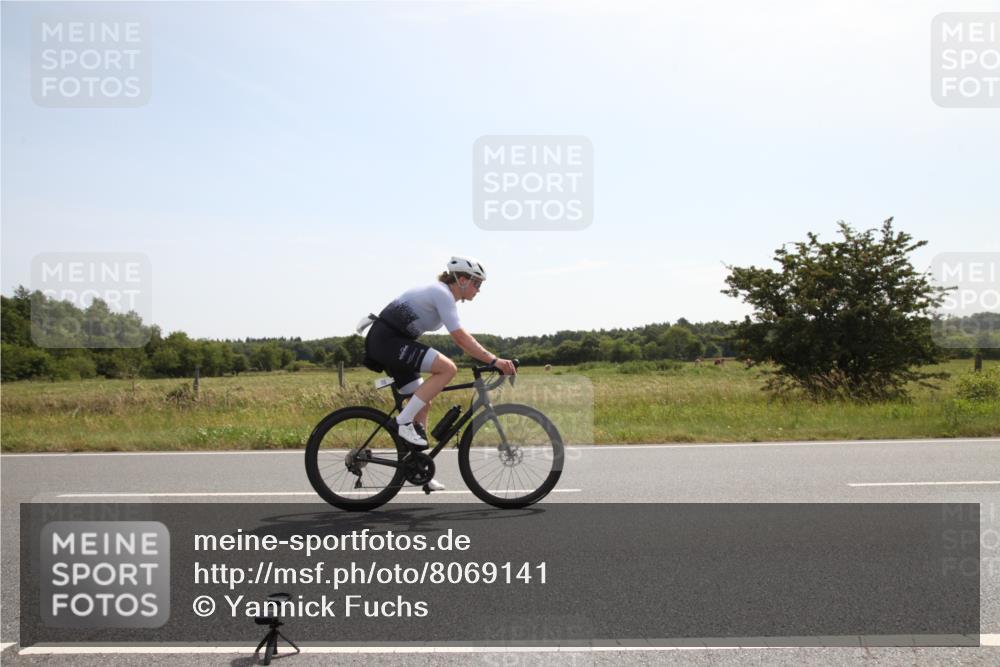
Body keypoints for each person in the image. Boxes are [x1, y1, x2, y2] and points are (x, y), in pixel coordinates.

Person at [359, 256, 517, 491]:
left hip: (391, 341)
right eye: (477, 284)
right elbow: (461, 338)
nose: (478, 290)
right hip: (388, 341)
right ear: (462, 280)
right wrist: (494, 360)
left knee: (423, 403)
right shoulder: (442, 293)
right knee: (448, 368)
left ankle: (419, 468)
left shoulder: (443, 294)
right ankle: (402, 421)